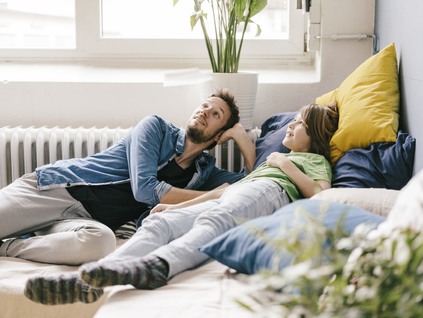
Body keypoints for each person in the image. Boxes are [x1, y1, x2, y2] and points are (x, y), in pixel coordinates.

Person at [24, 101, 340, 306]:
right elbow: (228, 190)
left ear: (314, 135)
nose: (291, 126)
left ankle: (161, 266)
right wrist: (175, 208)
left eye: (299, 124)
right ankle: (90, 279)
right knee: (159, 222)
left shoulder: (312, 161)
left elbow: (321, 193)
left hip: (269, 191)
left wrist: (284, 166)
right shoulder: (274, 160)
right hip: (243, 192)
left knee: (214, 224)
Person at [0, 88, 256, 265]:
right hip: (54, 191)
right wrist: (209, 196)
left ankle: (8, 247)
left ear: (218, 136)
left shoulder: (205, 172)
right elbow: (144, 190)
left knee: (101, 243)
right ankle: (29, 227)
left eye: (215, 114)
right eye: (204, 106)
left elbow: (249, 189)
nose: (204, 112)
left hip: (85, 221)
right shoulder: (155, 127)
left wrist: (243, 139)